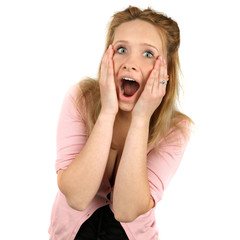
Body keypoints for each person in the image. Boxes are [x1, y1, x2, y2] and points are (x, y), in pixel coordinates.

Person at [48, 5, 193, 240]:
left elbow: (127, 211)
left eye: (148, 54)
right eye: (122, 49)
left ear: (167, 72)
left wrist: (141, 118)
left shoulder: (176, 130)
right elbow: (76, 197)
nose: (129, 63)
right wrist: (107, 113)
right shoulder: (80, 99)